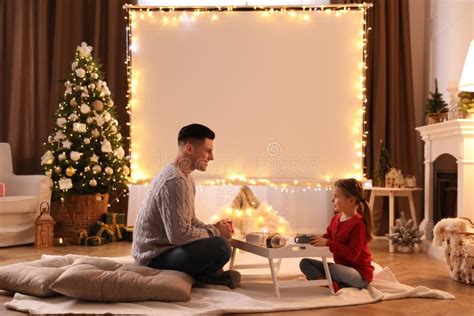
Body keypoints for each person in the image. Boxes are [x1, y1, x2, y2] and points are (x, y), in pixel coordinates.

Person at [132, 123, 241, 288]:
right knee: (220, 246)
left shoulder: (185, 177)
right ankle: (205, 276)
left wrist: (213, 228)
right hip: (153, 259)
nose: (212, 157)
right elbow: (179, 236)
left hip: (167, 250)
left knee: (218, 241)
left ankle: (205, 275)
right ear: (189, 149)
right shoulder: (175, 180)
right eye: (208, 151)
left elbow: (189, 221)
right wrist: (216, 232)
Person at [299, 178, 374, 291]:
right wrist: (313, 240)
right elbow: (327, 238)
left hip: (360, 275)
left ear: (351, 200)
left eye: (336, 196)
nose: (332, 200)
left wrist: (328, 243)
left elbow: (352, 255)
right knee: (305, 263)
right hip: (341, 269)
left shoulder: (358, 224)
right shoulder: (336, 219)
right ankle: (329, 284)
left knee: (334, 270)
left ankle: (328, 283)